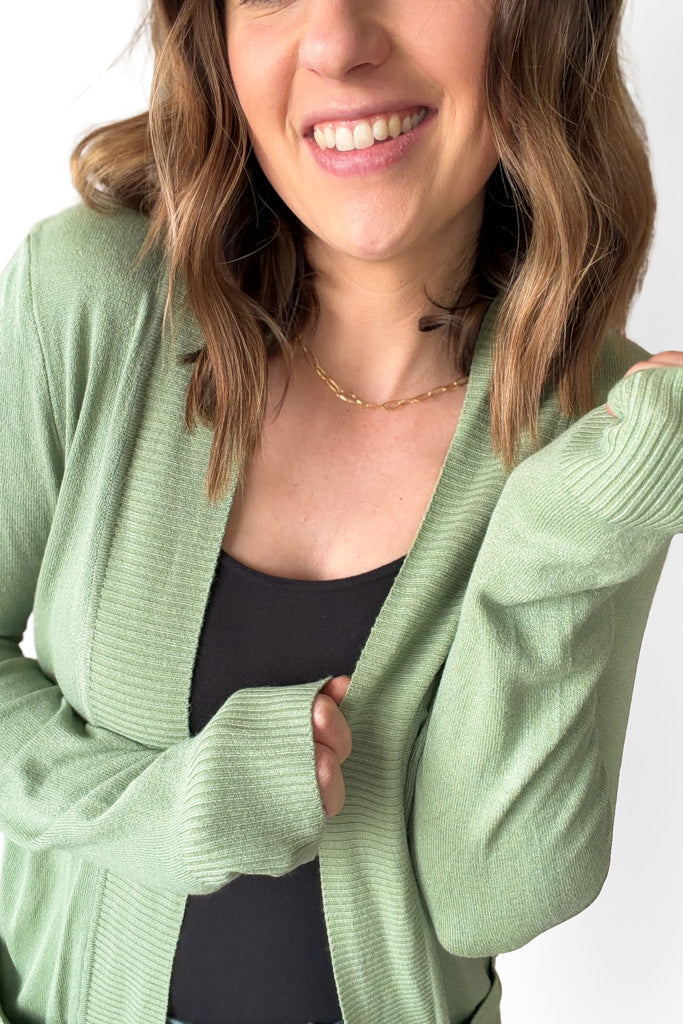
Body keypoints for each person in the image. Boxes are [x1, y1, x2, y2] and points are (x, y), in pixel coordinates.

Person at [0, 1, 681, 1023]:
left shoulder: (600, 426)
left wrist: (564, 532)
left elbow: (491, 893)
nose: (334, 42)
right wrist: (174, 810)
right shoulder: (92, 300)